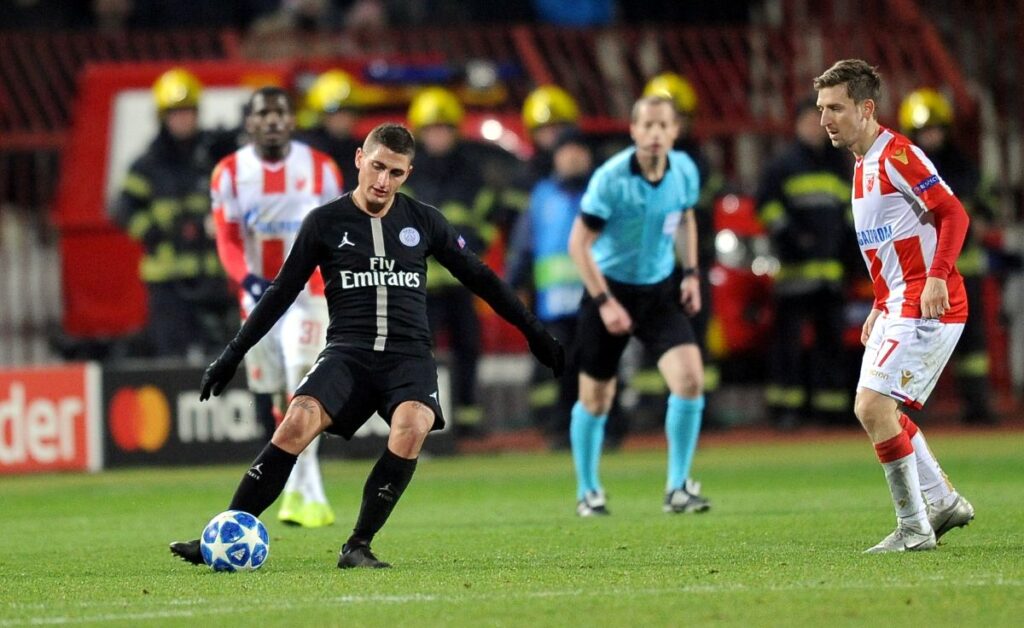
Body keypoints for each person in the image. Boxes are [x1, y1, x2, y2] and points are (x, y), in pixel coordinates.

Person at [170, 122, 564, 569]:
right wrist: (231, 355)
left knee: (413, 423)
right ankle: (219, 536)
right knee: (297, 421)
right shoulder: (325, 222)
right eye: (377, 167)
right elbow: (280, 292)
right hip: (348, 351)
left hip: (408, 355)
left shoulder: (424, 221)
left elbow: (483, 279)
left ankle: (357, 544)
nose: (383, 181)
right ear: (359, 159)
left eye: (395, 173)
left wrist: (534, 332)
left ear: (408, 173)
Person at [814, 59, 975, 553]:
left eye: (836, 108)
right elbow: (892, 246)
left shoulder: (898, 154)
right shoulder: (861, 167)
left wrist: (938, 276)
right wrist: (880, 304)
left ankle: (914, 527)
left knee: (872, 406)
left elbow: (954, 214)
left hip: (930, 303)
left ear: (866, 109)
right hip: (898, 303)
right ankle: (943, 503)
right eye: (821, 109)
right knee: (880, 411)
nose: (825, 119)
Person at [567, 95, 710, 516]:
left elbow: (685, 218)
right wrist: (605, 302)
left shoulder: (683, 169)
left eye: (662, 126)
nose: (654, 134)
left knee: (689, 380)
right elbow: (579, 244)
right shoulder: (611, 179)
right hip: (608, 289)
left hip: (659, 290)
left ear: (674, 131)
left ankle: (678, 487)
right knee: (595, 399)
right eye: (646, 126)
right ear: (632, 131)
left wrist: (690, 274)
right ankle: (588, 490)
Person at [210, 86, 342, 528]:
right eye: (262, 113)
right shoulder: (229, 173)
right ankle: (304, 488)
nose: (271, 120)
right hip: (258, 297)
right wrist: (244, 279)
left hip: (309, 293)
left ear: (292, 121)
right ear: (249, 123)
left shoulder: (321, 169)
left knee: (302, 383)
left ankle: (301, 494)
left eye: (279, 113)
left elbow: (338, 232)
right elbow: (227, 238)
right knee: (272, 395)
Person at [114, 67, 233, 358]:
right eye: (175, 112)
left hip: (212, 278)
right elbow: (123, 208)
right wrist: (154, 232)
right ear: (162, 117)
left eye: (188, 111)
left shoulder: (212, 159)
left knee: (220, 358)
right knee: (171, 358)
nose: (182, 119)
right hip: (168, 282)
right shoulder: (148, 165)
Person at [899, 88, 997, 425]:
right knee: (919, 342)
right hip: (923, 276)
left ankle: (977, 405)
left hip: (965, 270)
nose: (931, 137)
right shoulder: (905, 170)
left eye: (936, 130)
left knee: (973, 347)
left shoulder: (966, 170)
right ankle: (912, 410)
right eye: (925, 132)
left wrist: (983, 217)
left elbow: (988, 205)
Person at [404, 86, 497, 436]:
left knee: (467, 351)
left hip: (460, 283)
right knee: (418, 356)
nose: (438, 136)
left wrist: (474, 245)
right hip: (421, 285)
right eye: (431, 130)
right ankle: (420, 421)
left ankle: (468, 421)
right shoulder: (408, 175)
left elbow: (487, 221)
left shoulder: (470, 175)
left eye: (443, 129)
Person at [756, 96, 853, 429]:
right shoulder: (782, 165)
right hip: (795, 273)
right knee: (789, 344)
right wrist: (791, 239)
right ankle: (786, 410)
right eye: (810, 121)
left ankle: (831, 408)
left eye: (820, 121)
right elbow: (767, 206)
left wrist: (850, 251)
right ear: (797, 126)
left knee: (831, 343)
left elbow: (850, 213)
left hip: (830, 274)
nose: (816, 127)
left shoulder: (838, 165)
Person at [506, 129, 593, 449]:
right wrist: (511, 285)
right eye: (567, 150)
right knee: (558, 370)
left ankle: (603, 429)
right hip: (553, 303)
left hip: (595, 300)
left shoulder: (602, 193)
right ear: (555, 158)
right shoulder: (541, 196)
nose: (573, 157)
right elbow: (523, 244)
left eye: (579, 150)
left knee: (596, 367)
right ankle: (558, 429)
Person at [296, 68, 365, 191]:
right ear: (320, 115)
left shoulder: (363, 151)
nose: (344, 118)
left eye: (349, 110)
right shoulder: (305, 150)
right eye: (335, 111)